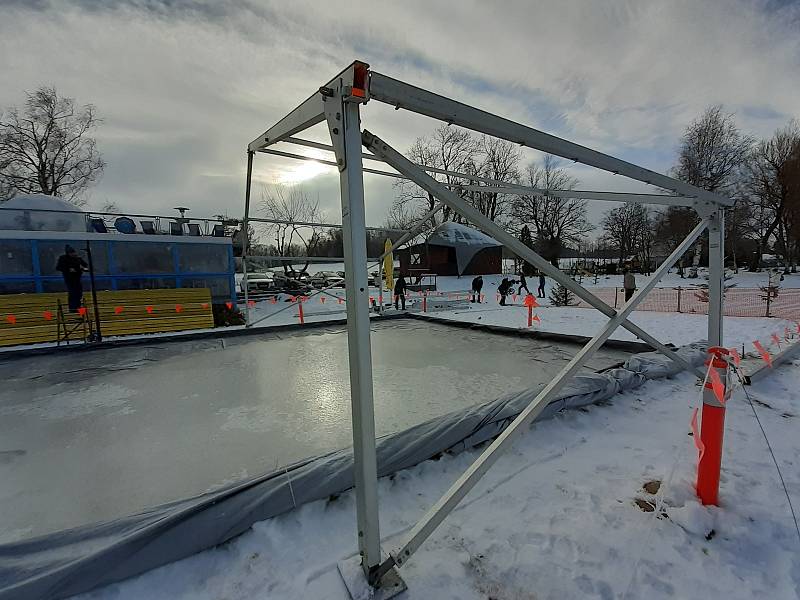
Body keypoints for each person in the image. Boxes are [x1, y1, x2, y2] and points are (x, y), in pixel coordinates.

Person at [56, 245, 88, 312]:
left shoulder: (78, 259)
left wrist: (83, 269)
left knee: (79, 293)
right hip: (69, 278)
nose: (73, 254)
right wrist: (68, 269)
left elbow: (86, 265)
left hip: (77, 277)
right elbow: (59, 267)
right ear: (68, 253)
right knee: (72, 293)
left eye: (74, 252)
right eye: (71, 253)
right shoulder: (63, 258)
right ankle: (72, 308)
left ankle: (78, 307)